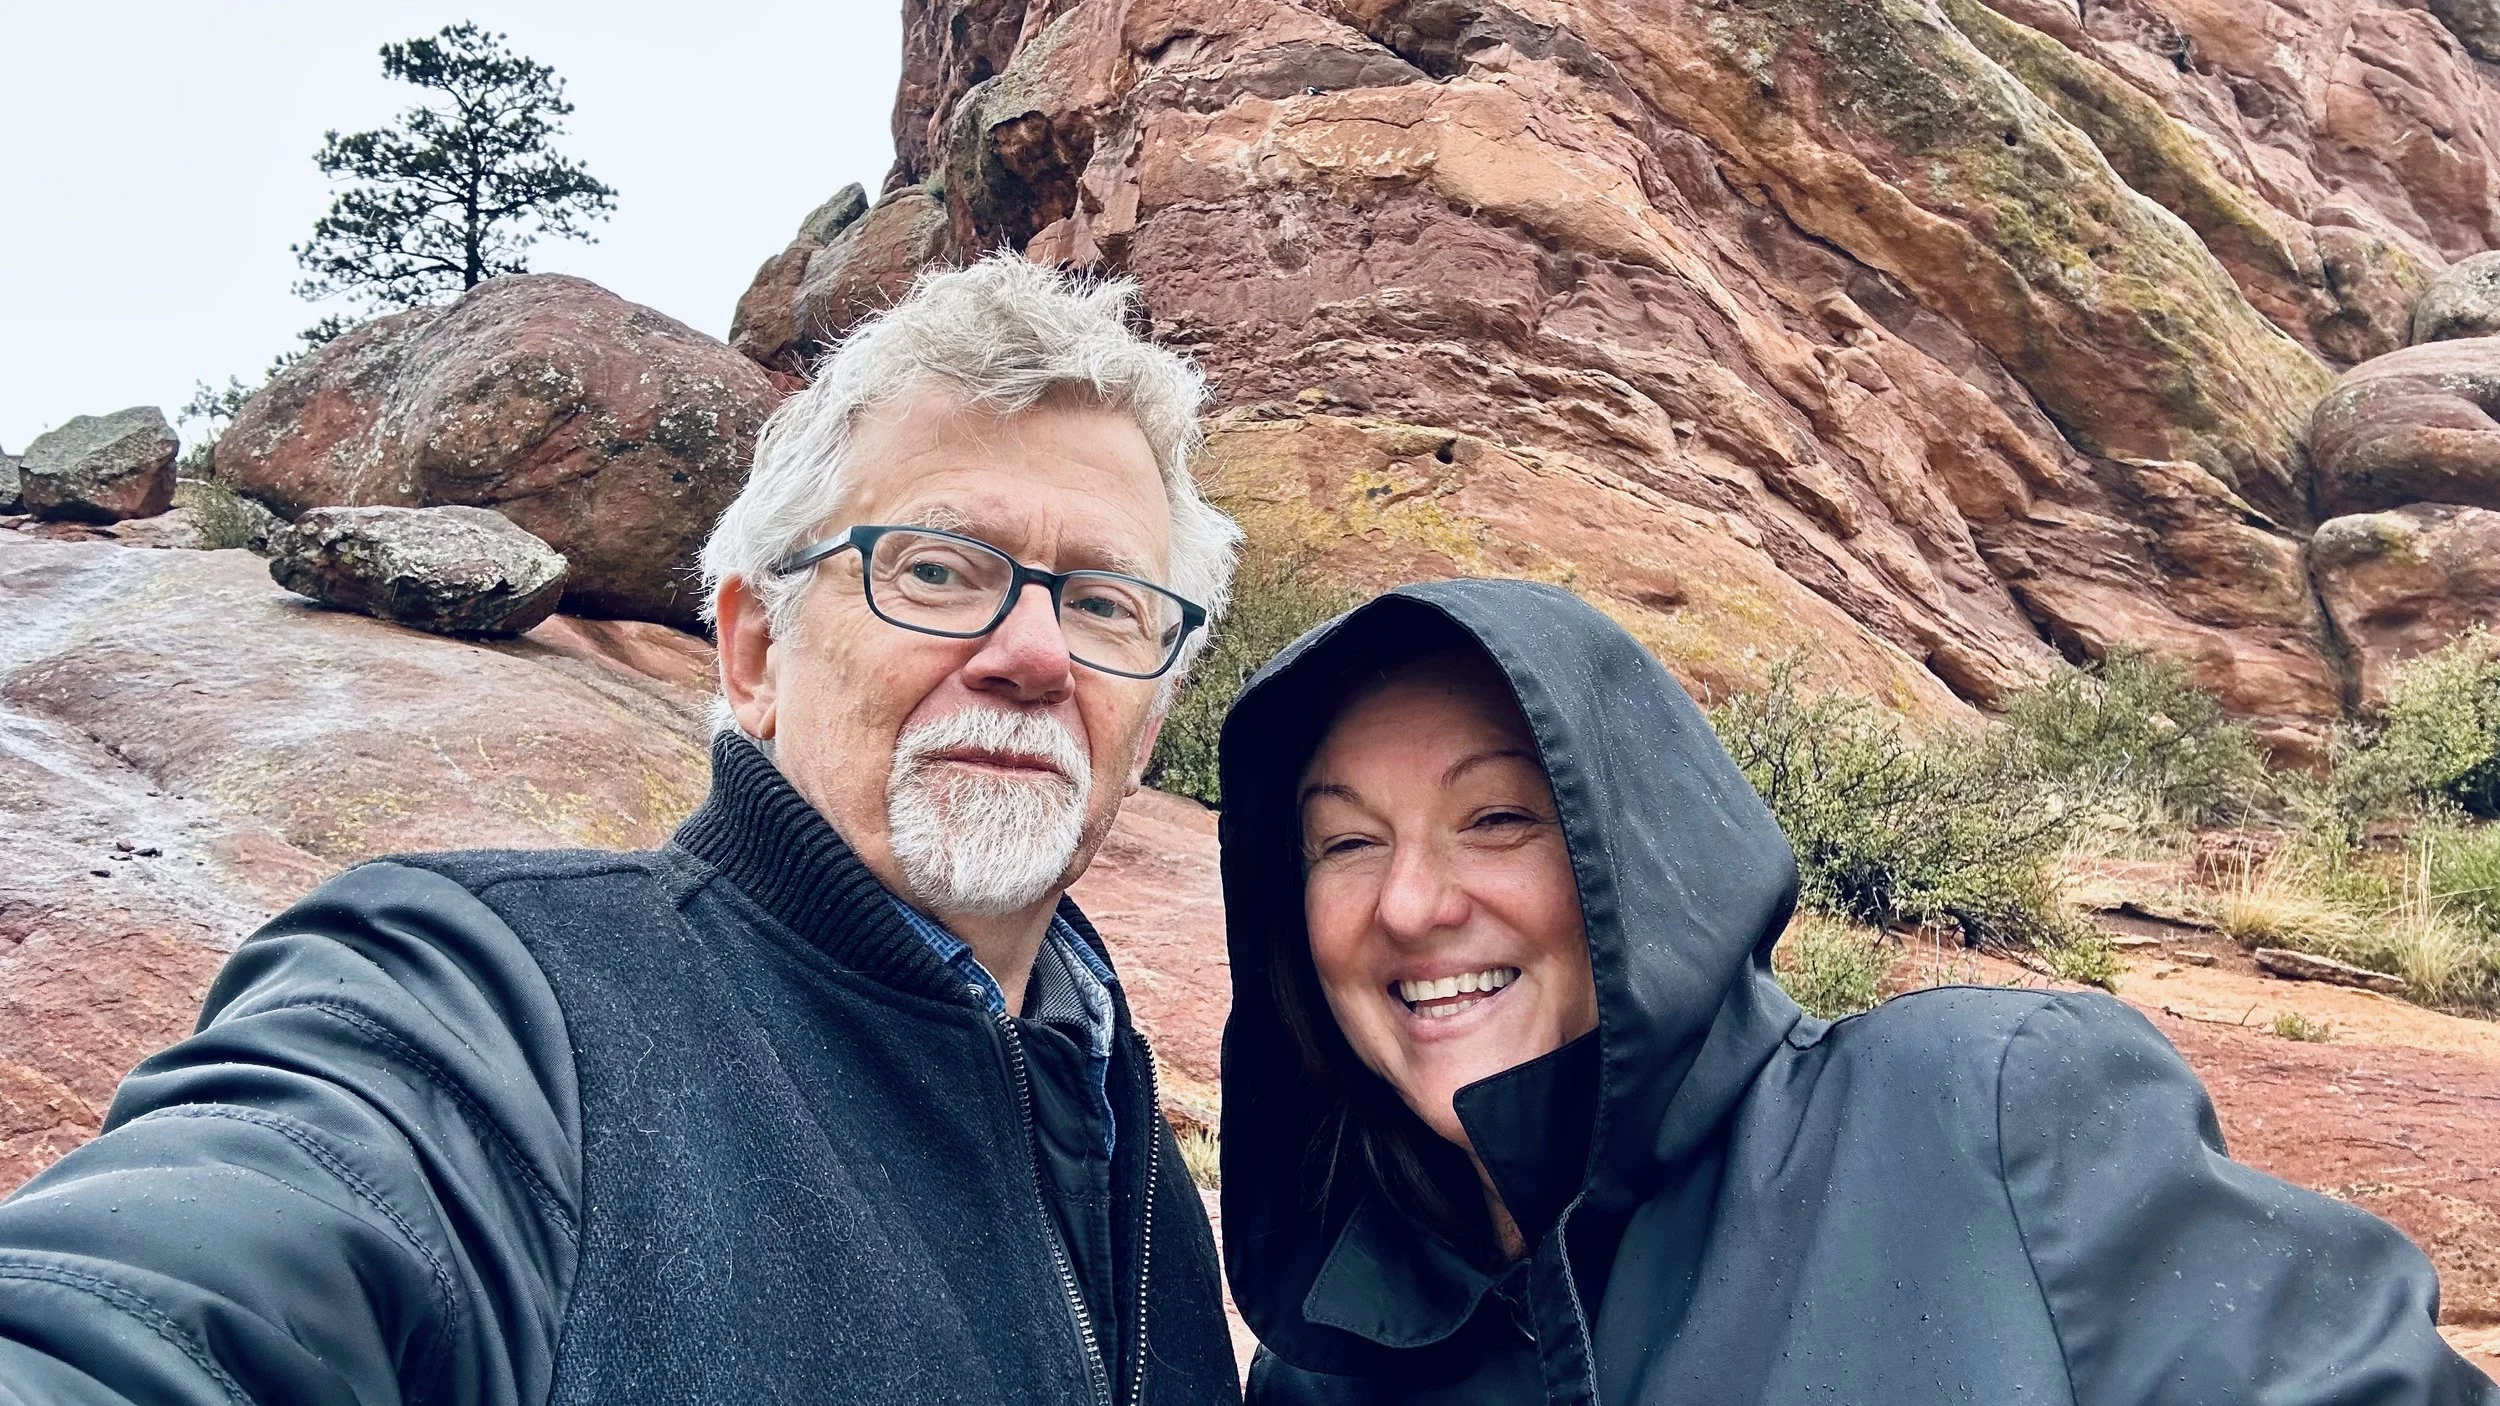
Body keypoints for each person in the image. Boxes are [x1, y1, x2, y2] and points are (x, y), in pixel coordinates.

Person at [0, 256, 1245, 1406]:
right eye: (936, 568)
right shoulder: (482, 1006)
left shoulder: (1124, 1134)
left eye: (1105, 603)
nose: (1034, 653)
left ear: (1151, 718)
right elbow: (150, 1308)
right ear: (754, 651)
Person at [1214, 578, 2497, 1406]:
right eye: (1345, 840)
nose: (1409, 903)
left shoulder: (1978, 1113)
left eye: (1497, 816)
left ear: (1638, 851)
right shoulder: (1327, 1358)